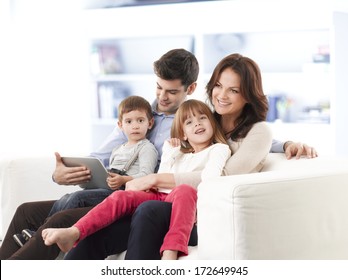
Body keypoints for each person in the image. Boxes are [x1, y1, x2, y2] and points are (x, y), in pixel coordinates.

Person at [0, 49, 317, 260]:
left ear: (190, 89)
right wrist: (63, 171)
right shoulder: (184, 116)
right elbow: (103, 153)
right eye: (219, 86)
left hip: (175, 200)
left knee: (68, 212)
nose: (222, 95)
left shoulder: (215, 125)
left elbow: (232, 161)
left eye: (233, 90)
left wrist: (285, 144)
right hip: (132, 189)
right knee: (32, 210)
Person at [42, 99, 232, 260]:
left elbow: (211, 178)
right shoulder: (178, 153)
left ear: (212, 124)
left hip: (184, 202)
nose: (197, 124)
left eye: (202, 118)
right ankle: (75, 231)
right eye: (189, 122)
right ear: (182, 133)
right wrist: (170, 153)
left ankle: (171, 250)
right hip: (159, 197)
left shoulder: (218, 149)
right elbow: (162, 173)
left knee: (184, 190)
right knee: (120, 197)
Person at [12, 95, 158, 247]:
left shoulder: (146, 148)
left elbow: (147, 176)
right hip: (108, 187)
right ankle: (38, 231)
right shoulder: (117, 149)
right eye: (129, 121)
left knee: (77, 198)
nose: (135, 126)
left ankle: (38, 236)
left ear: (150, 123)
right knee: (67, 197)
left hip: (122, 193)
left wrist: (123, 180)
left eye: (140, 120)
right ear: (120, 125)